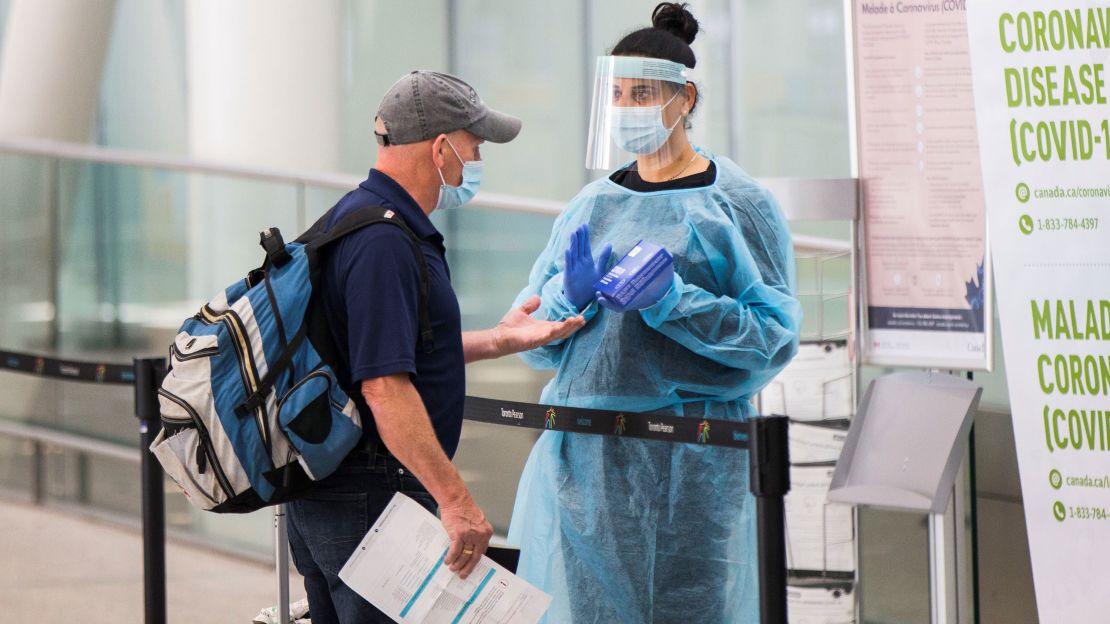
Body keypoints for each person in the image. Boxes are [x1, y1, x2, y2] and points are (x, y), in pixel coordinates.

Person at [506, 3, 803, 623]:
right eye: (617, 94)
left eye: (642, 93)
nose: (626, 108)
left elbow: (772, 338)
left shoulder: (736, 207)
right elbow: (531, 341)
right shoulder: (591, 205)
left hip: (692, 461)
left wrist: (673, 301)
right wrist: (567, 301)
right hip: (587, 465)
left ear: (685, 97)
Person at [284, 70, 586, 624]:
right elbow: (383, 386)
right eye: (475, 147)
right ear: (441, 147)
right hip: (372, 497)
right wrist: (456, 501)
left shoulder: (357, 218)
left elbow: (387, 352)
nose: (477, 161)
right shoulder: (383, 241)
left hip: (341, 494)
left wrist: (498, 340)